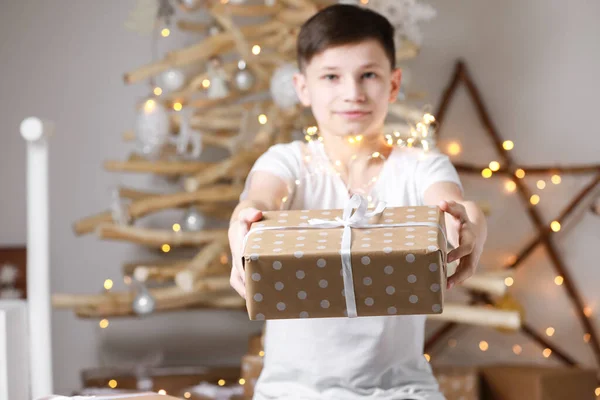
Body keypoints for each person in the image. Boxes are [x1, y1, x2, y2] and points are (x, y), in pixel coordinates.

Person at [228, 4, 487, 400]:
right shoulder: (287, 161)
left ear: (393, 84)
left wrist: (469, 224)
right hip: (291, 392)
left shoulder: (420, 167)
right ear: (303, 88)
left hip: (403, 390)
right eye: (331, 76)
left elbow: (453, 207)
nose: (352, 92)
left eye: (368, 74)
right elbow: (259, 200)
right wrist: (243, 226)